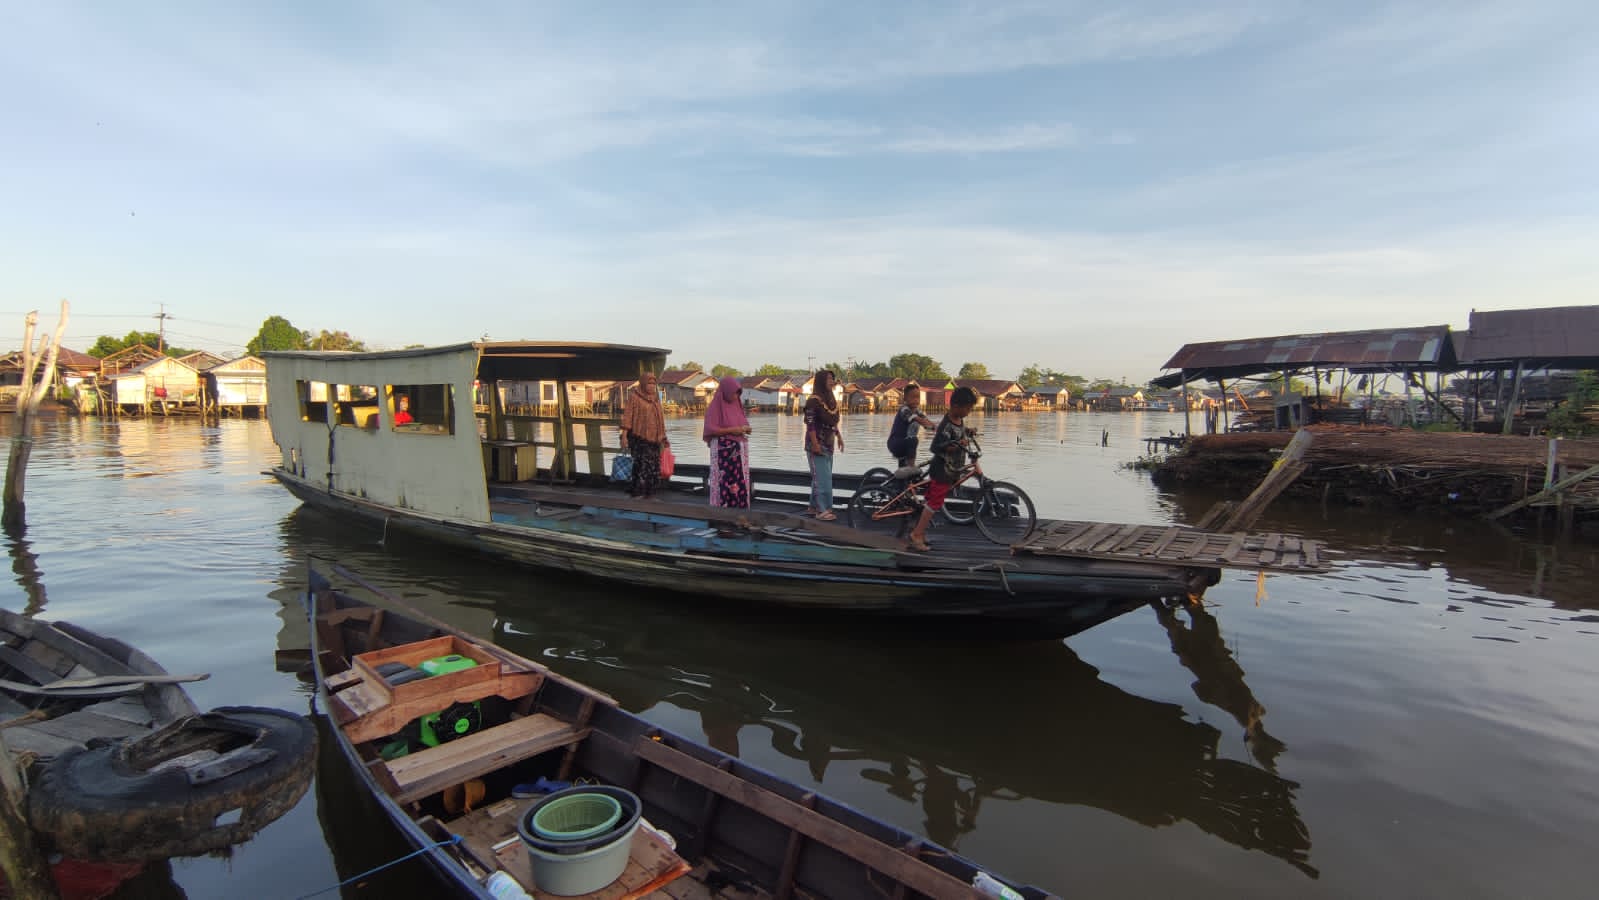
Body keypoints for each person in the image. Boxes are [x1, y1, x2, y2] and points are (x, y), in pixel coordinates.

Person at [906, 386, 978, 552]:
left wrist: (968, 431)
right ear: (956, 406)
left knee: (931, 501)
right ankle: (916, 535)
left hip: (950, 469)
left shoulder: (958, 420)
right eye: (967, 408)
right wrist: (956, 445)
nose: (969, 411)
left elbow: (959, 432)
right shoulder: (946, 424)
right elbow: (937, 447)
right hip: (942, 470)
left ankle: (920, 532)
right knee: (934, 503)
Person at [703, 376, 752, 508]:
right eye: (734, 392)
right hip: (723, 454)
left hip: (738, 454)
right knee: (723, 482)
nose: (736, 396)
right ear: (725, 391)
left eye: (738, 393)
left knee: (738, 481)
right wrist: (732, 430)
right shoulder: (715, 407)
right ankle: (722, 511)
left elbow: (743, 423)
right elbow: (710, 429)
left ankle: (738, 510)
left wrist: (745, 429)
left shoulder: (737, 406)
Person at [620, 372, 670, 499]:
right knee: (641, 465)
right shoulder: (634, 397)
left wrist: (664, 438)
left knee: (653, 466)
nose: (652, 386)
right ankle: (638, 491)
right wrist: (624, 436)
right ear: (643, 383)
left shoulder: (656, 398)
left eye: (654, 384)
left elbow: (660, 419)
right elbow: (627, 417)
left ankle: (650, 492)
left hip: (655, 439)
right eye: (649, 383)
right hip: (639, 438)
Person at [802, 369, 844, 519]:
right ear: (821, 381)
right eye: (828, 379)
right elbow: (811, 424)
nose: (831, 382)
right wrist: (814, 444)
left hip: (829, 443)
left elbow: (831, 422)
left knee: (820, 477)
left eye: (832, 379)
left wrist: (839, 436)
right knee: (823, 479)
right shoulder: (813, 401)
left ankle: (813, 507)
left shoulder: (830, 400)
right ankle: (822, 510)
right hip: (817, 444)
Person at [886, 383, 935, 468]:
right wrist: (925, 423)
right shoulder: (904, 409)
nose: (916, 400)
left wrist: (937, 428)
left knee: (903, 470)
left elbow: (926, 421)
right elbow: (915, 418)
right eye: (913, 397)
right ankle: (911, 467)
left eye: (918, 397)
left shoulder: (917, 411)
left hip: (906, 444)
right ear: (905, 399)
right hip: (896, 443)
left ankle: (903, 478)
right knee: (913, 439)